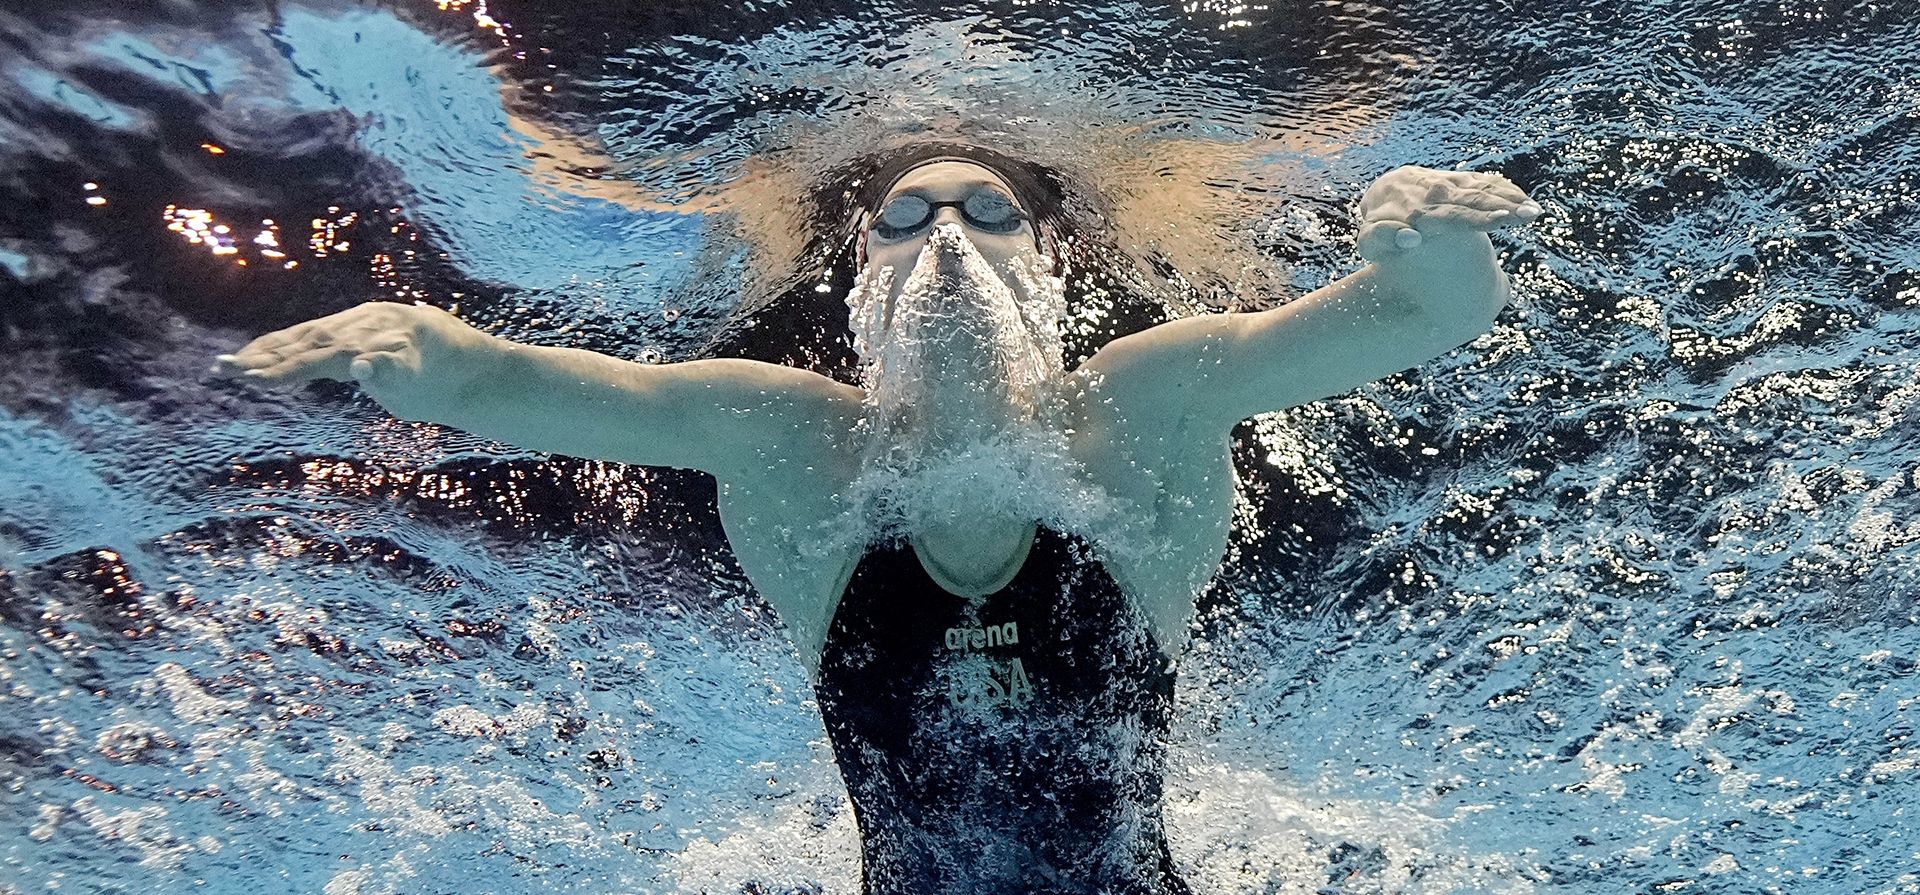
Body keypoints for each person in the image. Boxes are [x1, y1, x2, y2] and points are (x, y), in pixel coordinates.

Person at [216, 145, 1539, 895]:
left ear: (1049, 262)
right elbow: (580, 395)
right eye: (905, 217)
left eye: (985, 210)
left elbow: (1409, 321)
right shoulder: (792, 443)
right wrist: (423, 354)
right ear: (863, 277)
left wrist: (1418, 240)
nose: (945, 233)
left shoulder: (1146, 406)